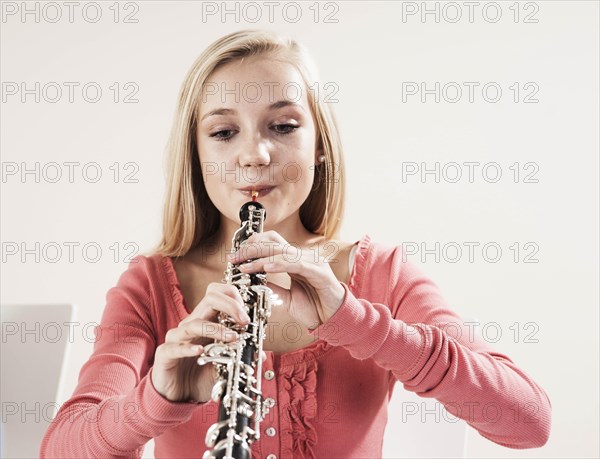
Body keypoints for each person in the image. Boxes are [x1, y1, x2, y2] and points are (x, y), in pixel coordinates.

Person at [40, 29, 552, 459]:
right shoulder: (149, 284)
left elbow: (529, 422)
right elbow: (62, 447)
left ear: (320, 146)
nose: (255, 154)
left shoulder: (381, 273)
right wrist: (157, 398)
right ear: (195, 156)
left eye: (283, 126)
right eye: (222, 133)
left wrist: (354, 320)